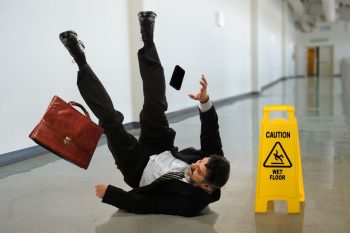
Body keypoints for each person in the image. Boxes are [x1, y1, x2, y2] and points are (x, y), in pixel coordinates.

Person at [59, 11, 230, 217]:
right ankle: (148, 40)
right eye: (200, 162)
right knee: (155, 104)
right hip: (160, 147)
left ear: (205, 187)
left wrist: (112, 195)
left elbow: (150, 204)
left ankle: (79, 59)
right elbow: (211, 130)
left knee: (110, 121)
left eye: (199, 171)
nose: (195, 164)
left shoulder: (189, 204)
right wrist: (204, 100)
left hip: (136, 168)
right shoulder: (213, 161)